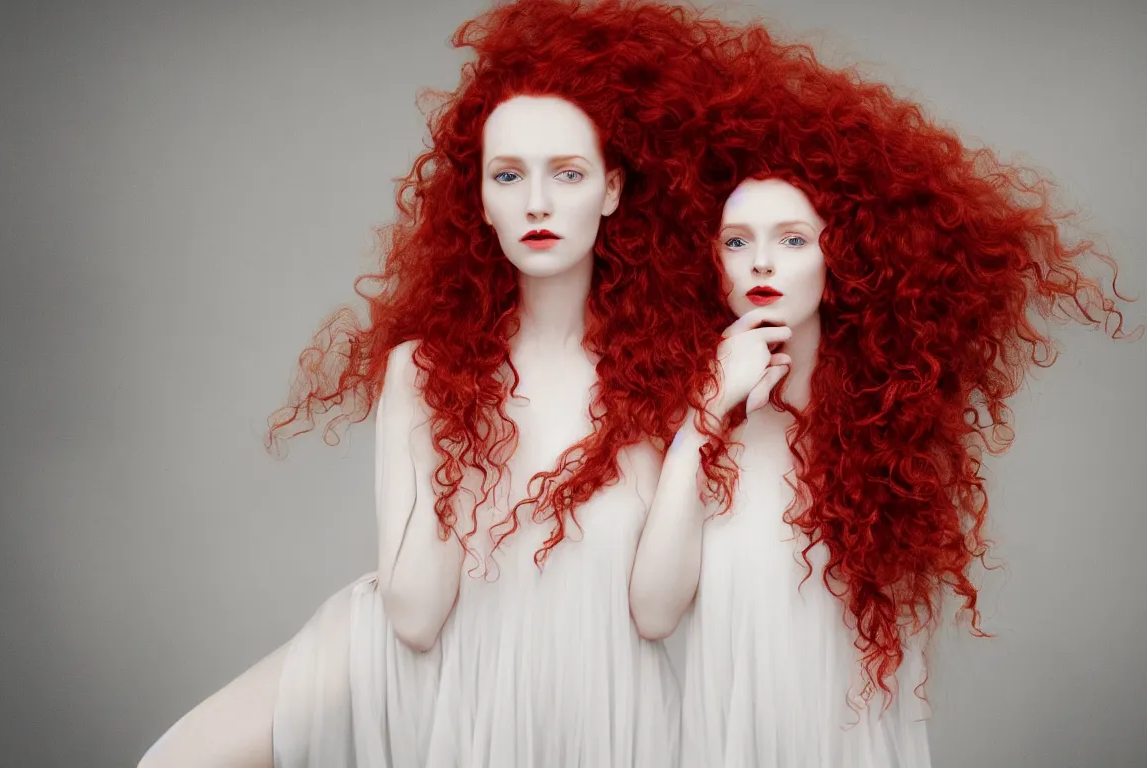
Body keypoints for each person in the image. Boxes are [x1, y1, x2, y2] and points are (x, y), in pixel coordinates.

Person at [138, 1, 741, 765]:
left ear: (613, 191)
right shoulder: (423, 372)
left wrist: (707, 418)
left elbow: (657, 614)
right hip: (429, 677)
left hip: (605, 705)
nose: (538, 203)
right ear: (481, 202)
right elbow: (417, 617)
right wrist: (468, 432)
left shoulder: (668, 379)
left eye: (568, 173)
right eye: (509, 175)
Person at [629, 21, 1139, 767]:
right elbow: (652, 613)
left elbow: (883, 688)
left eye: (793, 239)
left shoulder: (884, 441)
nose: (761, 260)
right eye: (737, 241)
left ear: (848, 255)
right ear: (709, 261)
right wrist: (708, 412)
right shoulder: (690, 432)